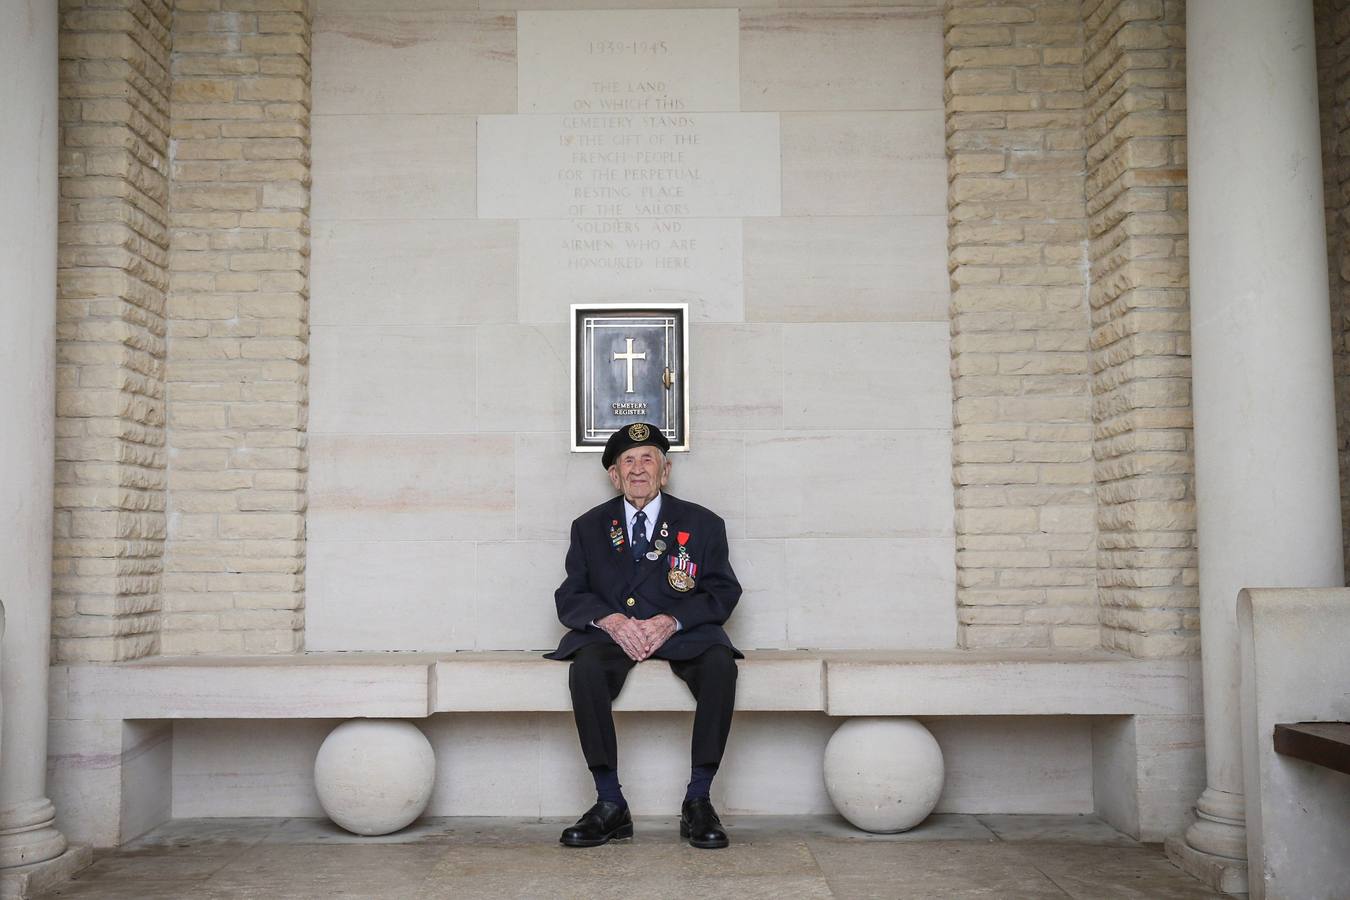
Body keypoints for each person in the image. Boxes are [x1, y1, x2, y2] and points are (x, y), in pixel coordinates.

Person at [546, 422, 742, 850]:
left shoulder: (703, 523)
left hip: (681, 635)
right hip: (614, 638)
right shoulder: (588, 526)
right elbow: (570, 595)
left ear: (665, 471)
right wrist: (612, 621)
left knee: (720, 666)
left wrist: (672, 620)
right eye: (628, 461)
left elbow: (723, 591)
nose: (638, 469)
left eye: (648, 459)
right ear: (614, 476)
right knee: (585, 669)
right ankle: (610, 802)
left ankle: (698, 800)